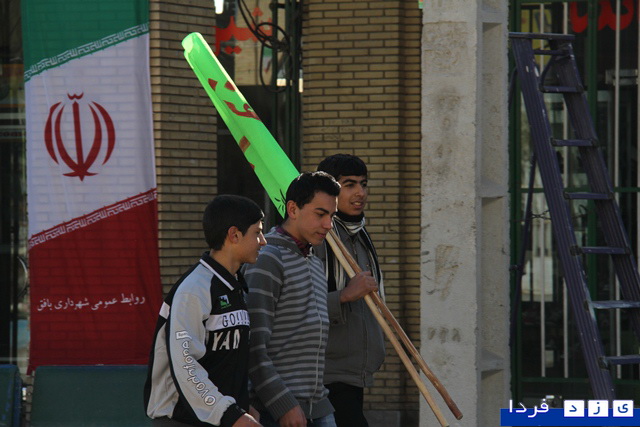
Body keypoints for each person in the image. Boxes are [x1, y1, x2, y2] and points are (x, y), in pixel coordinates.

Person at [144, 195, 265, 427]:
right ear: (234, 235)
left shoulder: (235, 286)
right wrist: (229, 413)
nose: (263, 241)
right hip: (182, 421)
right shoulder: (194, 289)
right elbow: (186, 364)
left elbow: (224, 362)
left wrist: (240, 406)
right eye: (257, 232)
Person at [243, 171, 341, 427]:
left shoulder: (314, 261)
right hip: (276, 411)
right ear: (293, 209)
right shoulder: (267, 259)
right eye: (320, 214)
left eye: (332, 216)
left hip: (318, 406)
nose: (328, 225)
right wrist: (282, 404)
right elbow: (252, 345)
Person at [316, 154, 385, 427]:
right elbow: (295, 306)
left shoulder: (360, 236)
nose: (360, 193)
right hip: (326, 373)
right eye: (349, 185)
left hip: (356, 372)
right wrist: (344, 295)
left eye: (363, 184)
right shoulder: (317, 240)